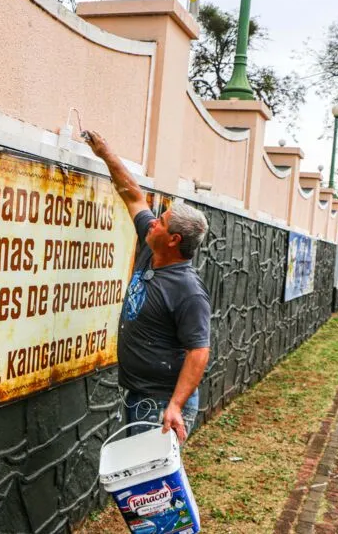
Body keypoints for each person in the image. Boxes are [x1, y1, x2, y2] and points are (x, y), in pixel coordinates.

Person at [84, 131, 211, 444]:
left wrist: (176, 405)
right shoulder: (152, 246)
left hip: (160, 402)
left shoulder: (187, 290)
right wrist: (105, 152)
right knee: (148, 486)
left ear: (174, 240)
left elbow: (199, 351)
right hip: (140, 393)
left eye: (161, 222)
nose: (153, 222)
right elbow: (133, 196)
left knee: (152, 488)